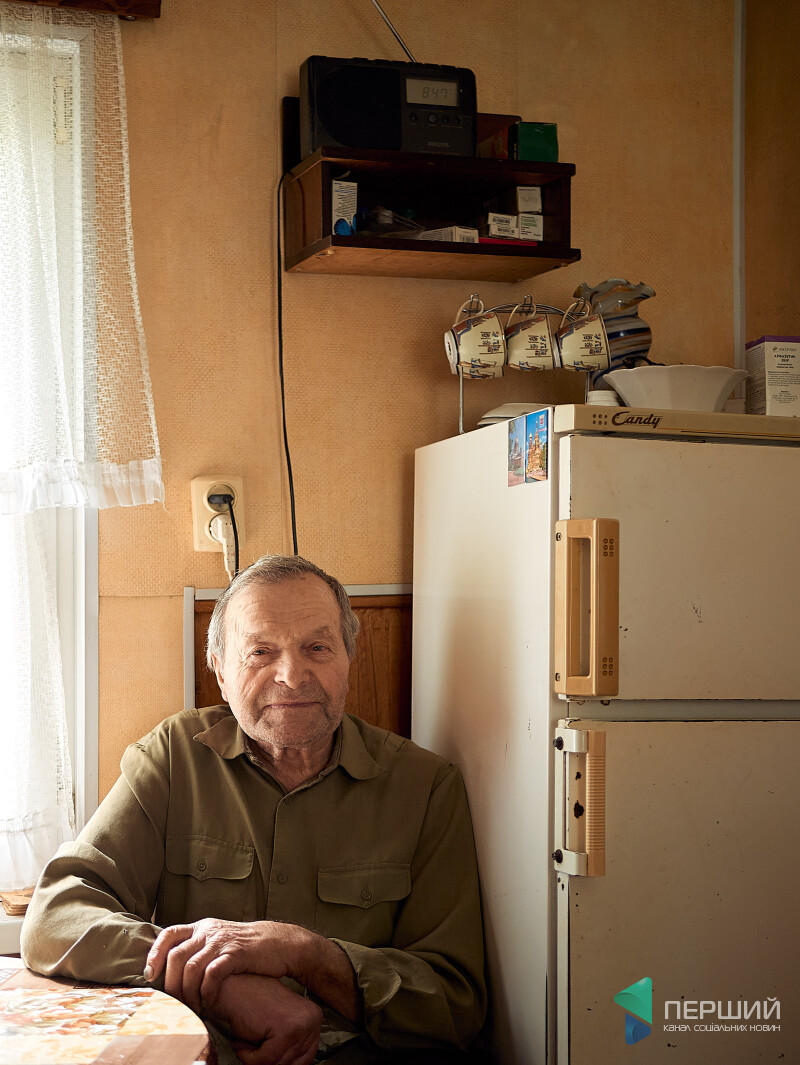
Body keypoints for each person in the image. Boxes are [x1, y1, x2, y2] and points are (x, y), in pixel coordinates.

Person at [21, 554, 487, 1065]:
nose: (291, 675)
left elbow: (455, 1003)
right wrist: (221, 983)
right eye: (261, 651)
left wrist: (308, 955)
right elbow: (56, 913)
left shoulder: (425, 787)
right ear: (221, 672)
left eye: (317, 647)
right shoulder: (174, 758)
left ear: (348, 659)